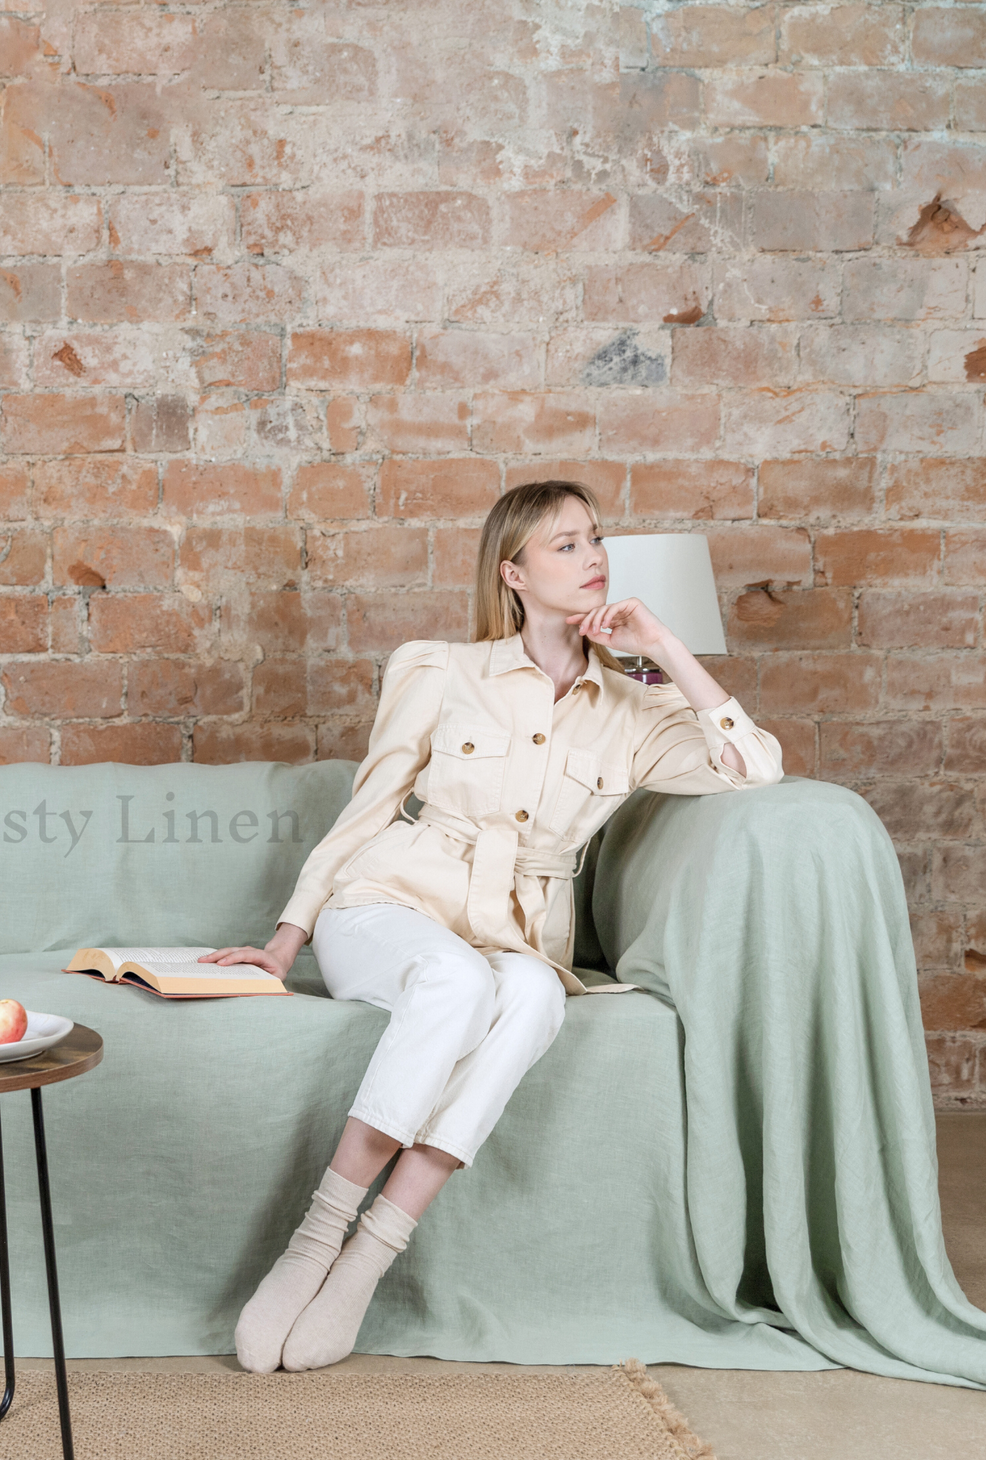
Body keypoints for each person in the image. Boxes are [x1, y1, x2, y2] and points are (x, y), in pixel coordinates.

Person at [201, 480, 785, 1374]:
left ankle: (368, 1257)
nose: (592, 557)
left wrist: (661, 646)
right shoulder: (441, 670)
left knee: (532, 996)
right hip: (387, 909)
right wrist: (290, 934)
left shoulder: (636, 709)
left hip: (512, 938)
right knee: (457, 982)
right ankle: (314, 1243)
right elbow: (368, 811)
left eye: (596, 540)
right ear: (513, 572)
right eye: (564, 545)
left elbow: (754, 769)